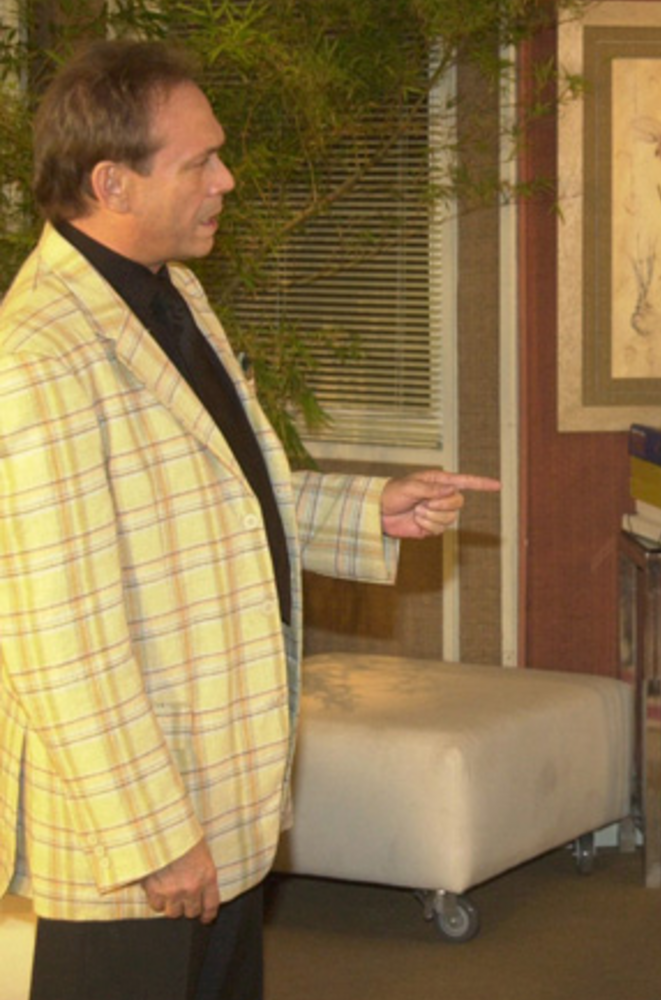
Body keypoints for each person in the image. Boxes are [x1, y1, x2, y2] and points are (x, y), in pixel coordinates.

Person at [0, 40, 499, 999]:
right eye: (199, 162)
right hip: (131, 841)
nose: (225, 180)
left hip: (216, 794)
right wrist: (154, 835)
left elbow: (214, 493)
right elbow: (58, 639)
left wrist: (368, 508)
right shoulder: (39, 353)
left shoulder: (170, 289)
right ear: (111, 182)